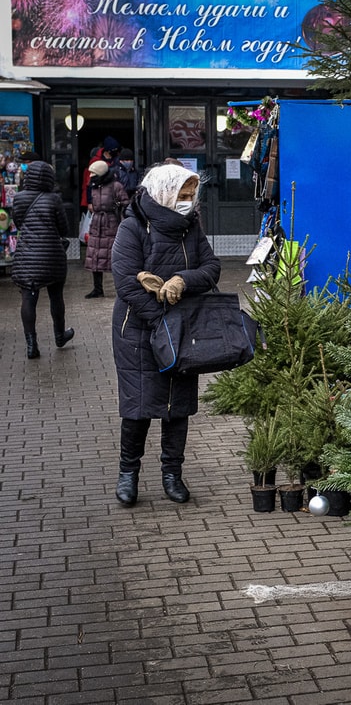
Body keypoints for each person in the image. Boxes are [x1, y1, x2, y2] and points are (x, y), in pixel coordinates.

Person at [110, 163, 220, 506]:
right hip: (139, 331)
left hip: (181, 327)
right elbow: (126, 282)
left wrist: (183, 280)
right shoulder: (132, 227)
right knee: (139, 404)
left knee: (177, 405)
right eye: (183, 194)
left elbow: (211, 268)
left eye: (192, 193)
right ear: (163, 193)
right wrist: (160, 320)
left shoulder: (191, 227)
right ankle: (128, 474)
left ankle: (172, 474)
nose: (188, 200)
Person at [10, 161, 76, 359]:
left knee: (29, 298)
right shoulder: (53, 199)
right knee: (56, 297)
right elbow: (63, 229)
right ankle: (59, 336)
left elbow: (18, 222)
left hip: (27, 255)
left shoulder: (19, 198)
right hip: (52, 255)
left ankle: (32, 345)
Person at [84, 159, 130, 298]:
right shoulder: (95, 186)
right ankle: (97, 289)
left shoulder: (115, 186)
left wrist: (120, 216)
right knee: (95, 256)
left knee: (113, 256)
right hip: (96, 223)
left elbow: (126, 203)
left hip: (111, 223)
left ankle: (120, 288)